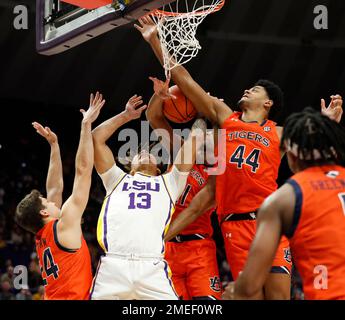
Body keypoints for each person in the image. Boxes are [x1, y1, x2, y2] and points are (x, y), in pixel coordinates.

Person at [134, 15, 343, 299]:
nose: (246, 90)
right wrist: (155, 41)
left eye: (255, 90)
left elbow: (311, 141)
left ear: (267, 103)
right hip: (233, 226)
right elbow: (184, 79)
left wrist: (327, 121)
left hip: (270, 219)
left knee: (280, 297)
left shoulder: (278, 133)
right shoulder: (225, 117)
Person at [90, 94, 205, 300]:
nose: (144, 152)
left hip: (152, 266)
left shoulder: (169, 183)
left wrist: (203, 111)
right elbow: (96, 138)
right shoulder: (116, 178)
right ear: (130, 165)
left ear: (159, 167)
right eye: (138, 153)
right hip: (114, 266)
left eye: (150, 153)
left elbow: (195, 140)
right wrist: (125, 116)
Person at [222, 108, 345, 300]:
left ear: (291, 156)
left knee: (234, 293)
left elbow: (249, 289)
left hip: (329, 295)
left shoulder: (285, 198)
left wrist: (235, 292)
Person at [15, 92, 105, 299]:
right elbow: (83, 171)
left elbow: (54, 189)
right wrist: (86, 125)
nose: (51, 198)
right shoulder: (64, 225)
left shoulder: (43, 236)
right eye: (46, 201)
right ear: (45, 211)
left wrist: (54, 146)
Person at [146, 88, 221, 300]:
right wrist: (159, 96)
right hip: (168, 249)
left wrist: (208, 111)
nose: (204, 138)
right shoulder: (179, 151)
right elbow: (153, 116)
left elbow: (197, 209)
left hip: (198, 248)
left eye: (210, 136)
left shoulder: (218, 173)